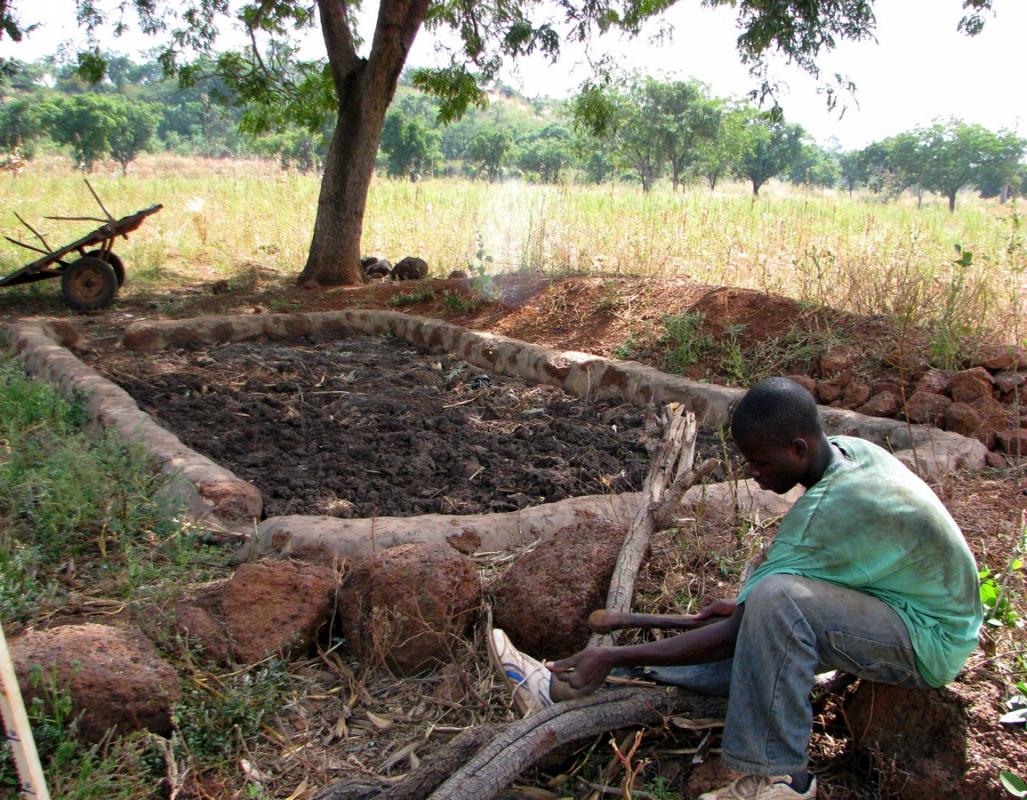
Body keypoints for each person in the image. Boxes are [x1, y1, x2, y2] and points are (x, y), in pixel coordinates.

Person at [490, 376, 983, 800]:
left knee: (773, 607)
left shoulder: (831, 510)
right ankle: (565, 689)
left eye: (759, 462)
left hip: (929, 639)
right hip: (902, 604)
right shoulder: (849, 452)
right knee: (766, 613)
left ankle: (779, 778)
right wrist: (746, 609)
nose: (752, 473)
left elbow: (747, 626)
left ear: (798, 449)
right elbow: (817, 579)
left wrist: (615, 653)